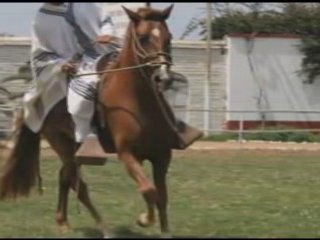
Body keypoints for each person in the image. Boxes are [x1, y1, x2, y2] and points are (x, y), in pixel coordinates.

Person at [23, 2, 120, 159]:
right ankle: (87, 135)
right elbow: (41, 53)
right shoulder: (42, 19)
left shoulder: (86, 4)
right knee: (82, 91)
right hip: (74, 63)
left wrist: (107, 33)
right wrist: (61, 64)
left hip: (105, 53)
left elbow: (105, 19)